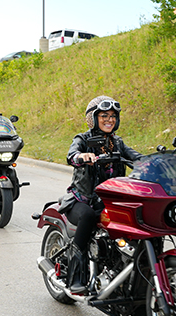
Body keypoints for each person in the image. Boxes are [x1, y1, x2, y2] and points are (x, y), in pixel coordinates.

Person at [60, 95, 142, 294]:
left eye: (113, 116)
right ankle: (76, 276)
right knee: (88, 216)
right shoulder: (82, 139)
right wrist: (82, 156)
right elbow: (72, 154)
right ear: (93, 118)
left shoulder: (117, 143)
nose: (109, 120)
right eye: (104, 115)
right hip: (83, 200)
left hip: (109, 200)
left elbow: (136, 157)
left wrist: (156, 162)